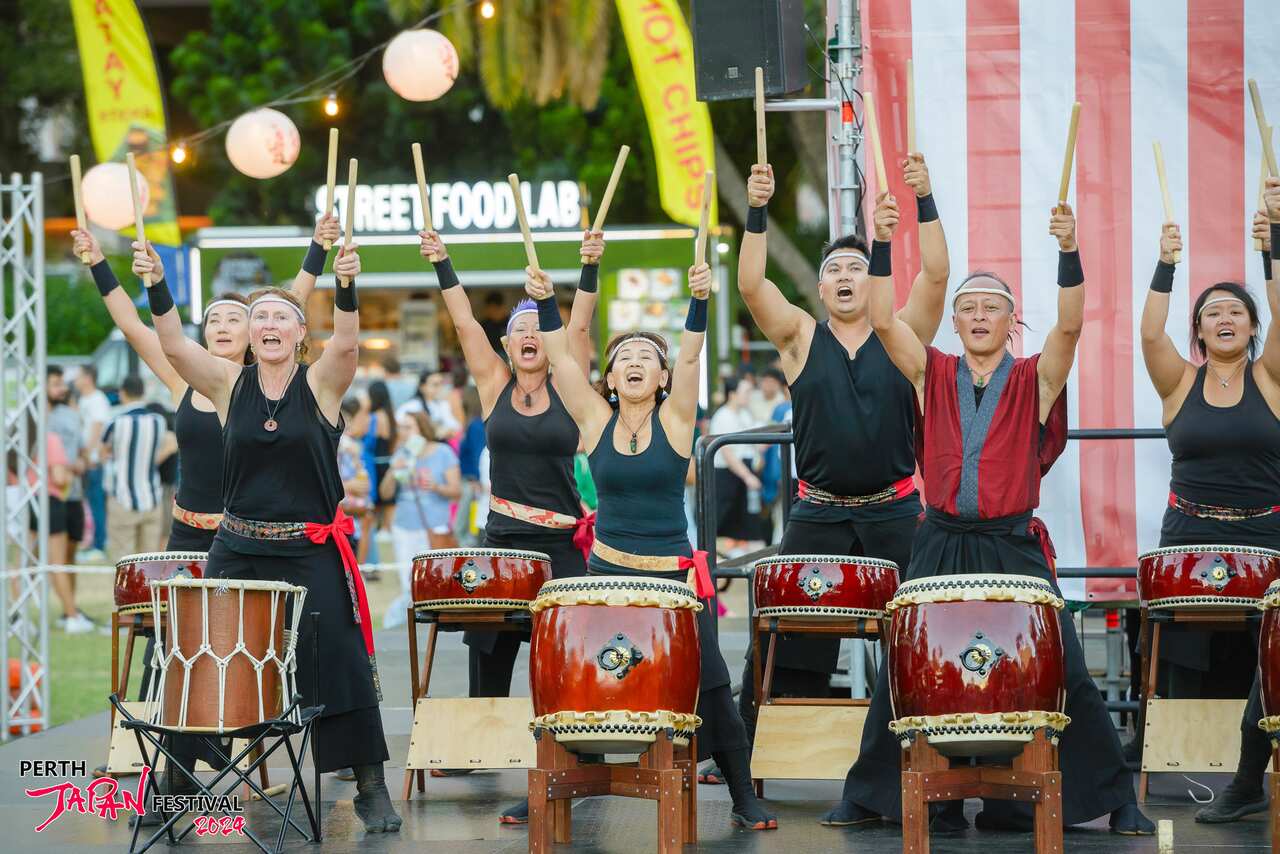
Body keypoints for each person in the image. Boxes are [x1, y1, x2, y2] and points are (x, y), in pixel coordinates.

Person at [820, 192, 1153, 835]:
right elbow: (886, 321)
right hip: (940, 541)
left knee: (1061, 664)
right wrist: (884, 241)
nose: (977, 316)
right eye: (966, 308)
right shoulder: (931, 370)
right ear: (955, 321)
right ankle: (885, 794)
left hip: (1011, 544)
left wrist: (1067, 250)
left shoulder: (1036, 378)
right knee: (910, 663)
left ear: (1010, 321)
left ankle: (1114, 796)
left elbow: (1071, 327)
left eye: (990, 308)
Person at [136, 230, 401, 833]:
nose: (270, 324)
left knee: (339, 655)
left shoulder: (323, 382)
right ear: (252, 336)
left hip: (309, 548)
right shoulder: (231, 385)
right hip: (238, 545)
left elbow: (350, 339)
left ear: (300, 332)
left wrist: (346, 281)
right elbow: (173, 343)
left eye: (283, 315)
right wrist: (156, 282)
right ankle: (177, 781)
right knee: (207, 655)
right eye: (261, 318)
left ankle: (369, 785)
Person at [527, 259, 777, 830]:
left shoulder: (677, 420)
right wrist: (545, 302)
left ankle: (743, 795)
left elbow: (690, 354)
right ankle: (562, 780)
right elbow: (563, 360)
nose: (635, 363)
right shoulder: (593, 420)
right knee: (584, 679)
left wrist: (699, 300)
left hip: (673, 579)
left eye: (647, 359)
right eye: (624, 359)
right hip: (607, 574)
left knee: (710, 680)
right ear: (610, 380)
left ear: (662, 379)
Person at [727, 154, 949, 770]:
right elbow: (750, 285)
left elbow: (936, 275)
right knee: (786, 631)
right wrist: (757, 207)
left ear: (873, 280)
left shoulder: (902, 333)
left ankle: (924, 748)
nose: (847, 275)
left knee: (919, 632)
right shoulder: (800, 337)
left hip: (895, 510)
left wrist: (918, 205)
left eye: (857, 267)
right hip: (818, 514)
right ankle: (754, 753)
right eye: (835, 270)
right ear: (821, 289)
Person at [420, 226, 601, 823]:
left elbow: (575, 329)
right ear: (506, 342)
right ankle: (479, 744)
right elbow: (466, 325)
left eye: (535, 330)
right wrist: (444, 265)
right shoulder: (493, 384)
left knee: (565, 646)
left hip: (562, 543)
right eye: (517, 330)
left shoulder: (570, 389)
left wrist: (587, 269)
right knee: (487, 638)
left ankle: (578, 747)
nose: (528, 336)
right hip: (502, 536)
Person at [72, 216, 332, 551]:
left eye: (234, 319)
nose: (222, 327)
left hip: (250, 535)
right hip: (188, 533)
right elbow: (131, 325)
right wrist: (97, 261)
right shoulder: (182, 380)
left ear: (255, 332)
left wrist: (318, 247)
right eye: (214, 321)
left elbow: (291, 302)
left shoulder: (267, 384)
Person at [1161, 183, 1280, 824]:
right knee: (1158, 625)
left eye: (1236, 309)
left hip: (1268, 533)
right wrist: (1166, 263)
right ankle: (1154, 743)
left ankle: (1245, 778)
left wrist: (1274, 247)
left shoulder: (1270, 375)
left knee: (1276, 646)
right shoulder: (1180, 379)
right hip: (1189, 531)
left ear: (1254, 326)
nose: (1225, 317)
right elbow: (1149, 331)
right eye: (1212, 312)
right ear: (1200, 329)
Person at [380, 410, 460, 628]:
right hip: (405, 526)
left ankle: (435, 623)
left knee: (435, 580)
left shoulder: (442, 452)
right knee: (409, 581)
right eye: (402, 427)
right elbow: (385, 494)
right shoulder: (402, 454)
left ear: (422, 428)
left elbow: (456, 490)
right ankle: (403, 623)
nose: (403, 432)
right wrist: (391, 471)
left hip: (434, 525)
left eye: (409, 427)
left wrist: (435, 486)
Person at [100, 376, 176, 560]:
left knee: (123, 561)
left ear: (122, 393)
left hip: (122, 497)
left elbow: (102, 454)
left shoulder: (115, 422)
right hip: (151, 497)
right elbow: (172, 442)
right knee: (148, 562)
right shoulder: (158, 421)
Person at [45, 367, 91, 632]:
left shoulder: (72, 415)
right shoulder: (36, 418)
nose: (61, 388)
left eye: (62, 383)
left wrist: (82, 462)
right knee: (54, 557)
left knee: (70, 555)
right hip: (51, 493)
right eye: (55, 384)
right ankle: (70, 613)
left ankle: (69, 608)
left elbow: (83, 450)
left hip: (73, 494)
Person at [709, 374, 763, 549]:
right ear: (732, 394)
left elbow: (756, 443)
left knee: (744, 529)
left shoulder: (745, 414)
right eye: (745, 392)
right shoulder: (723, 416)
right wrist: (747, 476)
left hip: (743, 475)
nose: (749, 396)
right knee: (723, 529)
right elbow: (728, 454)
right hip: (727, 478)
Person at [74, 364, 112, 557]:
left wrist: (88, 456)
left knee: (96, 502)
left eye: (78, 376)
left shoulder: (97, 399)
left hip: (93, 461)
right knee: (91, 501)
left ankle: (99, 545)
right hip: (88, 459)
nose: (75, 380)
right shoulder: (84, 399)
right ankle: (93, 542)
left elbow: (97, 428)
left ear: (88, 378)